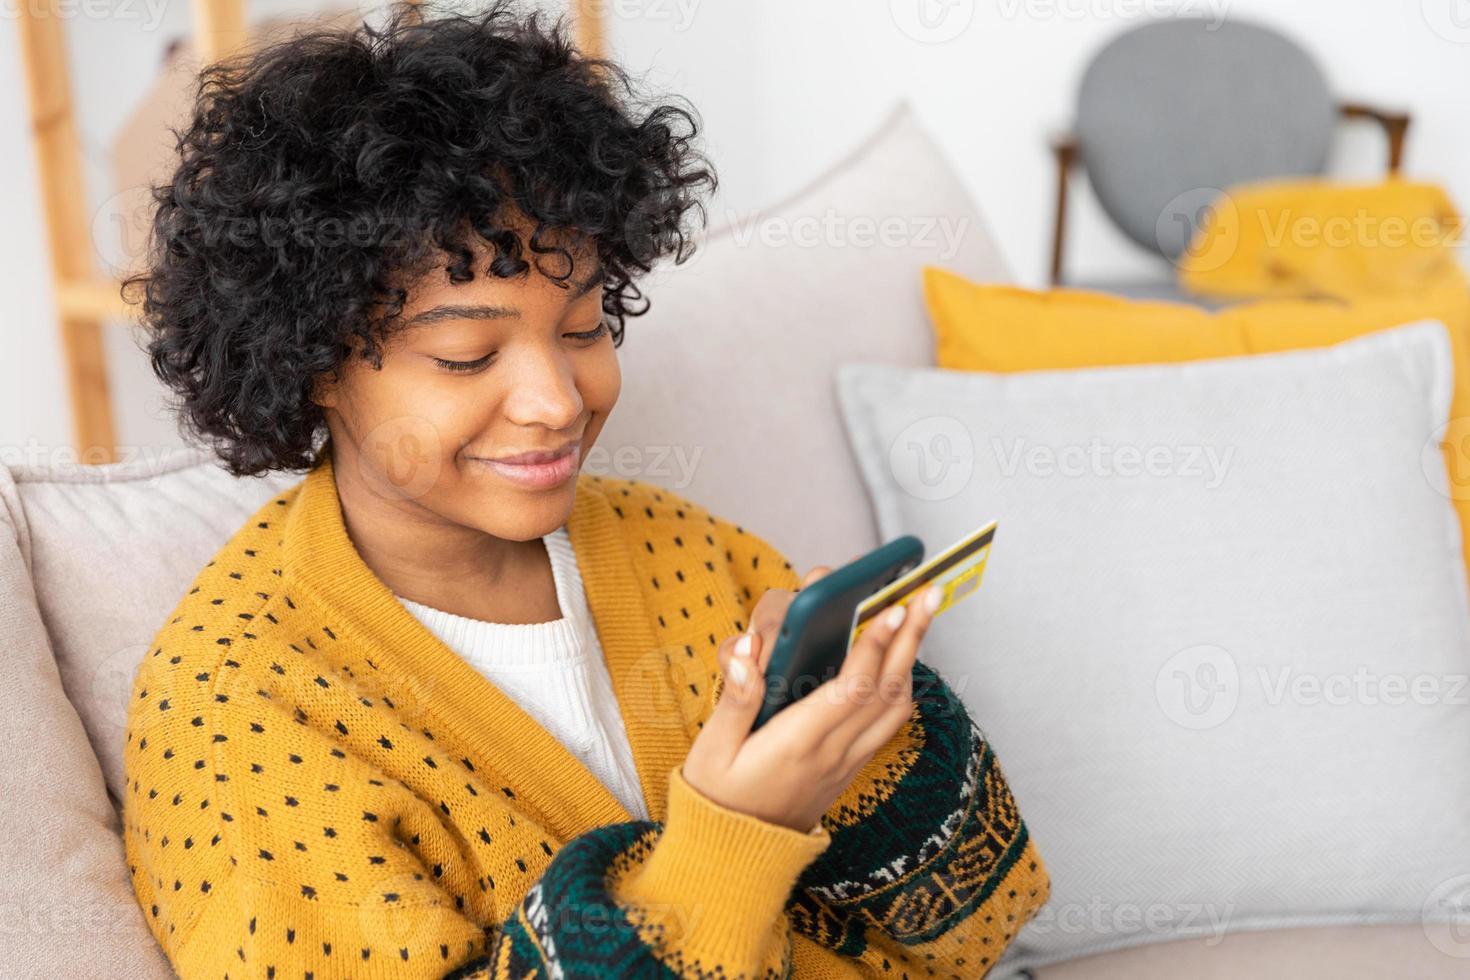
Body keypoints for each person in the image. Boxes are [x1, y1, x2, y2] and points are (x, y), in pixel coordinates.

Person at [120, 3, 1049, 976]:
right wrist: (738, 829)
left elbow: (975, 926)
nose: (557, 400)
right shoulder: (239, 706)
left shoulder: (691, 555)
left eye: (581, 327)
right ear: (309, 361)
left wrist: (862, 741)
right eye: (465, 353)